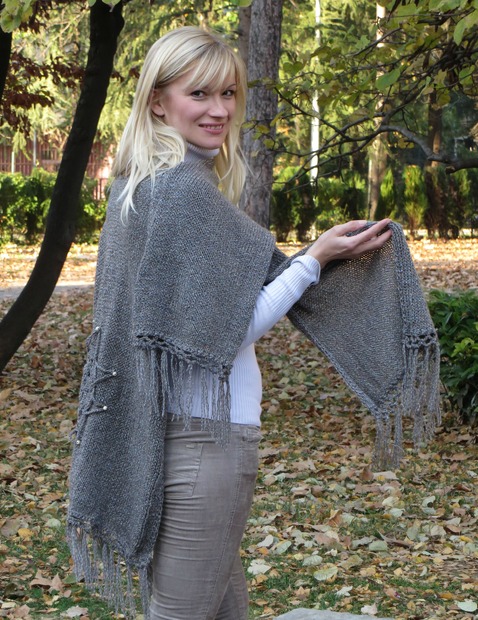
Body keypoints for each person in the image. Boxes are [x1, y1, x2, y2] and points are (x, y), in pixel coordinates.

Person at [67, 25, 399, 620]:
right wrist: (313, 262)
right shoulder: (182, 193)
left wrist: (312, 259)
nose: (219, 110)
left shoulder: (137, 188)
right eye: (199, 94)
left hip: (164, 432)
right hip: (206, 442)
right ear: (157, 101)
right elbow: (221, 335)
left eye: (227, 94)